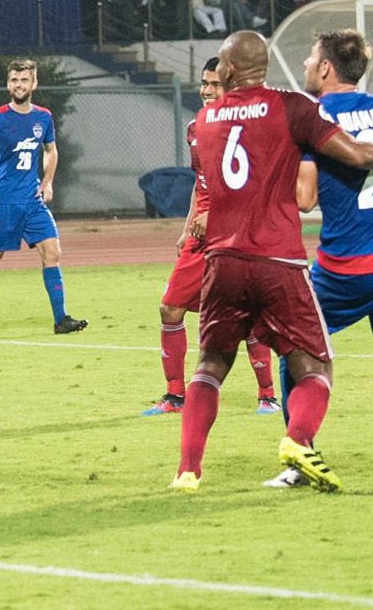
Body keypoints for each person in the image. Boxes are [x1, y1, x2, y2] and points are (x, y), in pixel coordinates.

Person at [174, 30, 373, 493]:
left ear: (223, 72)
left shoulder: (204, 121)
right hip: (283, 258)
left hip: (238, 259)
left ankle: (191, 468)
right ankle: (298, 441)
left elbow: (300, 195)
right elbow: (356, 155)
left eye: (309, 57)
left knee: (218, 363)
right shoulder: (294, 108)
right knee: (312, 363)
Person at [145, 58, 280, 418]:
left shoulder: (248, 129)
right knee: (170, 308)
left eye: (214, 84)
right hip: (201, 236)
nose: (206, 90)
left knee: (247, 316)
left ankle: (267, 395)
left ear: (231, 87)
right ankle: (175, 396)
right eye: (204, 83)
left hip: (237, 234)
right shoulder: (196, 128)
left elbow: (256, 188)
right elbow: (200, 182)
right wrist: (187, 224)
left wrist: (214, 214)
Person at [274, 31, 373, 487]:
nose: (309, 64)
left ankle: (300, 453)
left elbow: (306, 198)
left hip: (345, 268)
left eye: (312, 57)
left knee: (294, 348)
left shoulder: (315, 116)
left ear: (327, 68)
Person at [0, 59, 87, 335]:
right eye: (14, 80)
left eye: (24, 80)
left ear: (34, 84)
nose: (18, 85)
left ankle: (61, 320)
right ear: (8, 84)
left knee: (53, 251)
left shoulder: (43, 117)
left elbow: (51, 151)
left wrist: (47, 182)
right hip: (4, 202)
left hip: (32, 200)